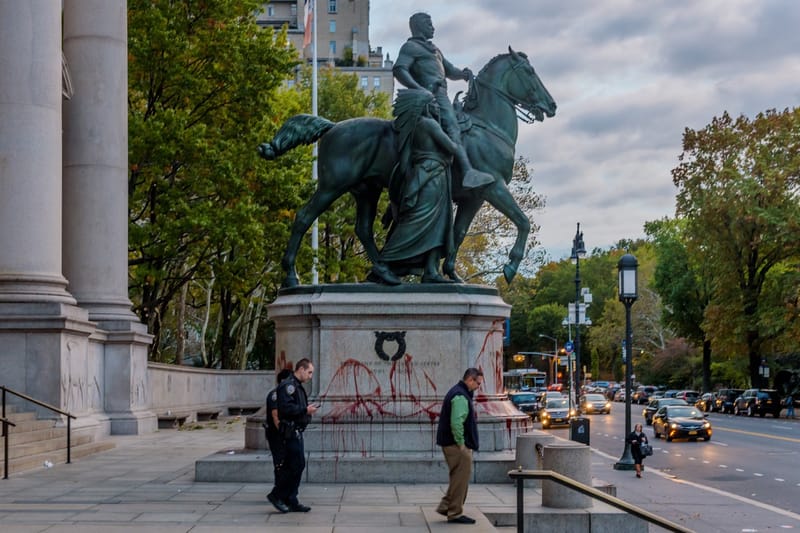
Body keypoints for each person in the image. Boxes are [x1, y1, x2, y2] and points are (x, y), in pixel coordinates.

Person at [393, 12, 494, 190]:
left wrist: (463, 74)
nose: (433, 27)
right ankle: (467, 172)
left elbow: (449, 70)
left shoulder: (435, 49)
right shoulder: (410, 47)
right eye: (429, 24)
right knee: (452, 127)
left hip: (441, 93)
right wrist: (420, 90)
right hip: (430, 96)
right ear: (418, 26)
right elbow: (400, 70)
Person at [370, 89, 459, 285]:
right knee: (418, 222)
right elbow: (453, 147)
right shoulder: (429, 124)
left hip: (428, 177)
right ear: (425, 106)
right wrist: (454, 130)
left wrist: (408, 185)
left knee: (438, 225)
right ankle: (383, 262)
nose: (437, 107)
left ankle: (431, 270)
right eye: (434, 104)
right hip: (432, 178)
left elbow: (403, 162)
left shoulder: (413, 129)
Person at [268, 358, 318, 514]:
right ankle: (277, 495)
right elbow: (286, 408)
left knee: (298, 465)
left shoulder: (296, 386)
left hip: (296, 431)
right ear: (301, 369)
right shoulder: (288, 386)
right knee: (293, 465)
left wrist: (306, 411)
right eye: (309, 372)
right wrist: (305, 410)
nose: (310, 376)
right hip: (289, 432)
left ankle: (291, 498)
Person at [435, 368, 484, 524]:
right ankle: (455, 512)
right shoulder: (460, 396)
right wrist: (462, 444)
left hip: (450, 443)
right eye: (478, 383)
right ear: (470, 379)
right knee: (461, 478)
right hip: (455, 445)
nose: (478, 386)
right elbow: (456, 423)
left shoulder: (457, 392)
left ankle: (446, 506)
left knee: (457, 477)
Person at [265, 368, 292, 507]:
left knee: (284, 462)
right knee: (280, 463)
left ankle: (282, 493)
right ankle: (278, 493)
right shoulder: (275, 395)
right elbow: (275, 417)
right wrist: (283, 434)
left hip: (281, 434)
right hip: (276, 435)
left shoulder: (283, 394)